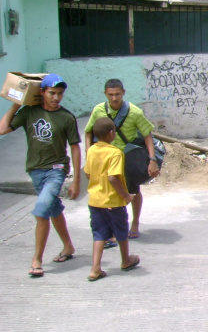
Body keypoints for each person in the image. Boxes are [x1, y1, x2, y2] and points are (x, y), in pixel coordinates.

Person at [0, 73, 80, 278]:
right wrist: (17, 104)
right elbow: (2, 129)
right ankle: (69, 246)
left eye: (60, 94)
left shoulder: (66, 117)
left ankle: (37, 258)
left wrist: (76, 181)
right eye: (52, 93)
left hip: (56, 170)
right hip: (35, 171)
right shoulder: (29, 113)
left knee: (42, 211)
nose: (56, 98)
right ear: (42, 92)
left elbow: (75, 148)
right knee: (53, 209)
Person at [84, 79, 159, 243]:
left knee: (134, 190)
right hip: (104, 160)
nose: (114, 98)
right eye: (110, 95)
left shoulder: (134, 112)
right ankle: (111, 230)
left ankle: (135, 222)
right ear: (105, 94)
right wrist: (89, 156)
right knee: (107, 194)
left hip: (127, 158)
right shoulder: (98, 110)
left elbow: (147, 135)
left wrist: (152, 160)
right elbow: (89, 132)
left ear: (123, 92)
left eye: (117, 94)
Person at [84, 117, 140, 281]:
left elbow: (88, 173)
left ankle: (95, 268)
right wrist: (126, 195)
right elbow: (112, 178)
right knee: (121, 231)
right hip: (113, 202)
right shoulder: (115, 153)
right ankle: (125, 260)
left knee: (99, 233)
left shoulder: (92, 150)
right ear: (111, 133)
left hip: (95, 201)